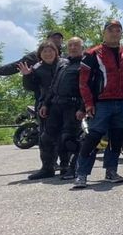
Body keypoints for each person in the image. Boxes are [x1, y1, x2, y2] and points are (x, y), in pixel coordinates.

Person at [74, 20, 123, 189]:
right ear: (104, 33)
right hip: (101, 103)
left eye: (118, 30)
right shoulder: (92, 53)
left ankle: (111, 171)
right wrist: (88, 104)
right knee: (93, 138)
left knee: (116, 139)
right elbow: (83, 83)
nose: (115, 33)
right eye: (111, 30)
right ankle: (81, 174)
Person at [34, 37, 86, 181]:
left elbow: (88, 88)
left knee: (68, 139)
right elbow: (53, 86)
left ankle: (70, 168)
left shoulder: (85, 64)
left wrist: (83, 108)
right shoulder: (63, 63)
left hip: (72, 106)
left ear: (82, 48)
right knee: (46, 137)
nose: (73, 47)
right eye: (70, 45)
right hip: (55, 105)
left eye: (76, 45)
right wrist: (45, 104)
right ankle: (47, 168)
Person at [19, 40, 66, 180]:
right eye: (45, 51)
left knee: (66, 136)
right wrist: (27, 75)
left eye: (50, 50)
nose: (48, 53)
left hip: (65, 104)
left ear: (56, 52)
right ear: (40, 54)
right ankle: (47, 168)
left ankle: (66, 167)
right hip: (46, 106)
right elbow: (30, 87)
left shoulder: (64, 64)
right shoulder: (37, 68)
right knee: (45, 138)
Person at [0, 31, 64, 78]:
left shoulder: (64, 57)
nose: (56, 39)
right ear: (47, 40)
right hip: (43, 94)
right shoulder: (35, 56)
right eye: (54, 37)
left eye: (59, 38)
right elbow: (14, 67)